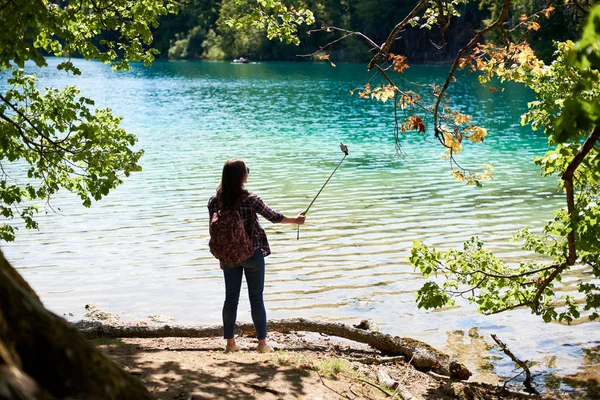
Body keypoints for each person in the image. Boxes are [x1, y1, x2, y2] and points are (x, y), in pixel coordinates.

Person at [208, 158, 306, 353]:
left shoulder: (214, 200)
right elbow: (274, 217)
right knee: (256, 297)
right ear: (242, 176)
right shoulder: (250, 199)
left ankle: (230, 345)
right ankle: (262, 344)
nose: (248, 173)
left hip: (228, 256)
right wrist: (295, 220)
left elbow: (215, 231)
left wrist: (222, 256)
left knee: (230, 299)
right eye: (247, 170)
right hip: (252, 253)